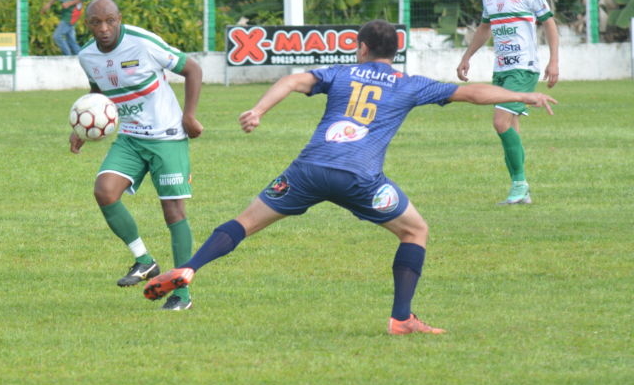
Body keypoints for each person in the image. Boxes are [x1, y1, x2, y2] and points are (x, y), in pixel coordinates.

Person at [142, 19, 557, 334]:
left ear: (360, 48)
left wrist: (259, 111)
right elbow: (472, 93)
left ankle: (192, 268)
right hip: (361, 179)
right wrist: (522, 94)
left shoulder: (340, 73)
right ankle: (401, 318)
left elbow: (290, 80)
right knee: (415, 231)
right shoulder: (409, 83)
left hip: (308, 170)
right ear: (394, 51)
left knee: (245, 223)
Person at [71, 0, 204, 311]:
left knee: (173, 212)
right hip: (130, 138)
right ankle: (144, 260)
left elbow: (193, 69)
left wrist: (189, 116)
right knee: (104, 191)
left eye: (110, 20)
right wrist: (81, 129)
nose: (104, 28)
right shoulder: (87, 56)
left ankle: (181, 295)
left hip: (167, 135)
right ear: (87, 24)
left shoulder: (143, 43)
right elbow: (98, 93)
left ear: (119, 18)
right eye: (96, 22)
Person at [456, 0, 558, 204]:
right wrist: (467, 57)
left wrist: (553, 60)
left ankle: (519, 183)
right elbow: (484, 28)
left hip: (523, 68)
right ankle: (522, 190)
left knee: (500, 122)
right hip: (501, 69)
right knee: (511, 125)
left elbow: (549, 23)